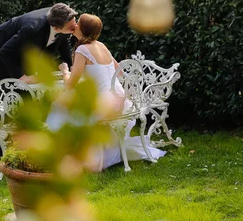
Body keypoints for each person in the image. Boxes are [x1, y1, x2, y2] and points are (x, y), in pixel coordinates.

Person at [46, 13, 166, 172]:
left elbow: (70, 84)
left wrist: (65, 70)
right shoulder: (101, 45)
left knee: (59, 107)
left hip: (103, 104)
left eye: (78, 23)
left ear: (83, 29)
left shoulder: (82, 49)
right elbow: (119, 72)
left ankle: (63, 156)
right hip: (120, 100)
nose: (75, 25)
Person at [0, 3, 77, 83]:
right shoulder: (32, 29)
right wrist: (21, 77)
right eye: (71, 28)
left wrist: (71, 66)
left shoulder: (62, 18)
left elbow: (64, 44)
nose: (75, 27)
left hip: (19, 53)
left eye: (75, 22)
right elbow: (5, 51)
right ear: (56, 28)